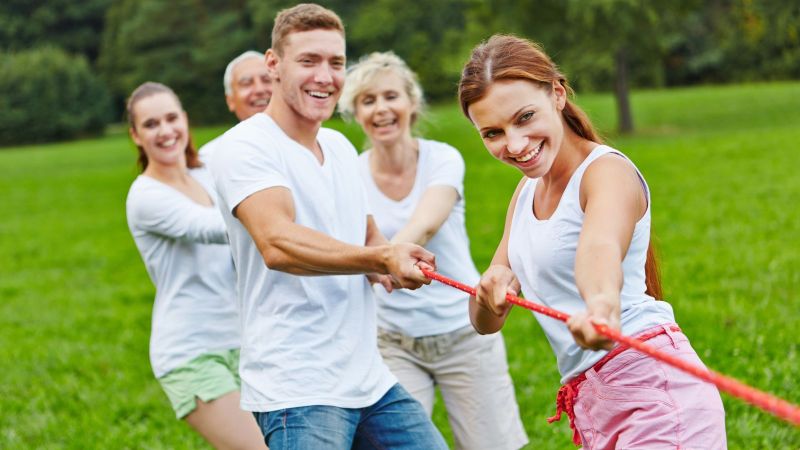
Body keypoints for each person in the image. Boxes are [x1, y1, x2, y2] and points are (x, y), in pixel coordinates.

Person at [458, 35, 727, 449]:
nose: (514, 144)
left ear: (558, 95)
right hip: (593, 400)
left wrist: (601, 306)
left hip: (654, 387)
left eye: (525, 117)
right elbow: (486, 322)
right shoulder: (525, 193)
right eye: (492, 133)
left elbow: (599, 249)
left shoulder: (606, 174)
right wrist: (487, 292)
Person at [208, 4, 447, 449]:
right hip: (297, 389)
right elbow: (277, 243)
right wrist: (378, 257)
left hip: (368, 378)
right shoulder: (244, 146)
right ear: (274, 65)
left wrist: (390, 261)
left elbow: (365, 232)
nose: (325, 76)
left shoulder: (337, 146)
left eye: (336, 62)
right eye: (309, 61)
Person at [338, 51, 529, 450]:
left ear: (412, 102)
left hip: (465, 333)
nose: (381, 109)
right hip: (391, 342)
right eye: (367, 101)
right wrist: (373, 263)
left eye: (390, 96)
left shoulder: (442, 158)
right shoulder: (349, 174)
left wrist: (387, 258)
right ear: (355, 113)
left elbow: (427, 221)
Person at [124, 82, 266, 449]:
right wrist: (273, 222)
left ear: (185, 120)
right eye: (152, 124)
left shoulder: (205, 172)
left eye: (172, 118)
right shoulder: (145, 196)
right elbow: (210, 228)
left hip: (244, 342)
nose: (166, 131)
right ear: (136, 136)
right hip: (191, 352)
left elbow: (250, 140)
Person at [199, 50, 273, 162]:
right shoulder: (210, 158)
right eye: (246, 83)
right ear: (230, 100)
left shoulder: (305, 144)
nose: (259, 90)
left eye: (267, 80)